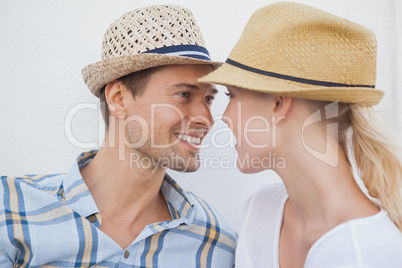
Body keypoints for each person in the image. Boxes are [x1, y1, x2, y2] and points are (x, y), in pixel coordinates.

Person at [0, 5, 237, 267]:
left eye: (208, 99)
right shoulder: (10, 210)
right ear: (119, 98)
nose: (207, 118)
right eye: (184, 95)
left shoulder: (217, 243)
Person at [199, 2, 402, 268]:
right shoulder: (260, 210)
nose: (223, 117)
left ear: (278, 104)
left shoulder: (367, 251)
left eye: (232, 95)